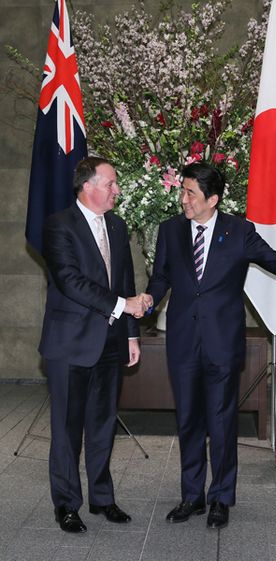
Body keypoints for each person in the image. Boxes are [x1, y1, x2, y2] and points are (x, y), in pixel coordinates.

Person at [145, 161, 276, 530]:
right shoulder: (170, 230)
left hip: (222, 342)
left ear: (213, 199)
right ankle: (192, 495)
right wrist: (147, 299)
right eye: (183, 191)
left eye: (190, 193)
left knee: (222, 422)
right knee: (189, 420)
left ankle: (221, 497)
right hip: (182, 343)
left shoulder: (239, 232)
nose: (183, 199)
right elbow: (160, 276)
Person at [39, 156, 149, 533]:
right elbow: (70, 281)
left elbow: (125, 280)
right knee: (68, 429)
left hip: (111, 342)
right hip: (69, 344)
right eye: (111, 183)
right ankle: (67, 505)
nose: (117, 189)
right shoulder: (58, 226)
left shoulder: (117, 227)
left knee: (103, 426)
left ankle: (103, 499)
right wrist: (123, 306)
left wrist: (131, 332)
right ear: (88, 186)